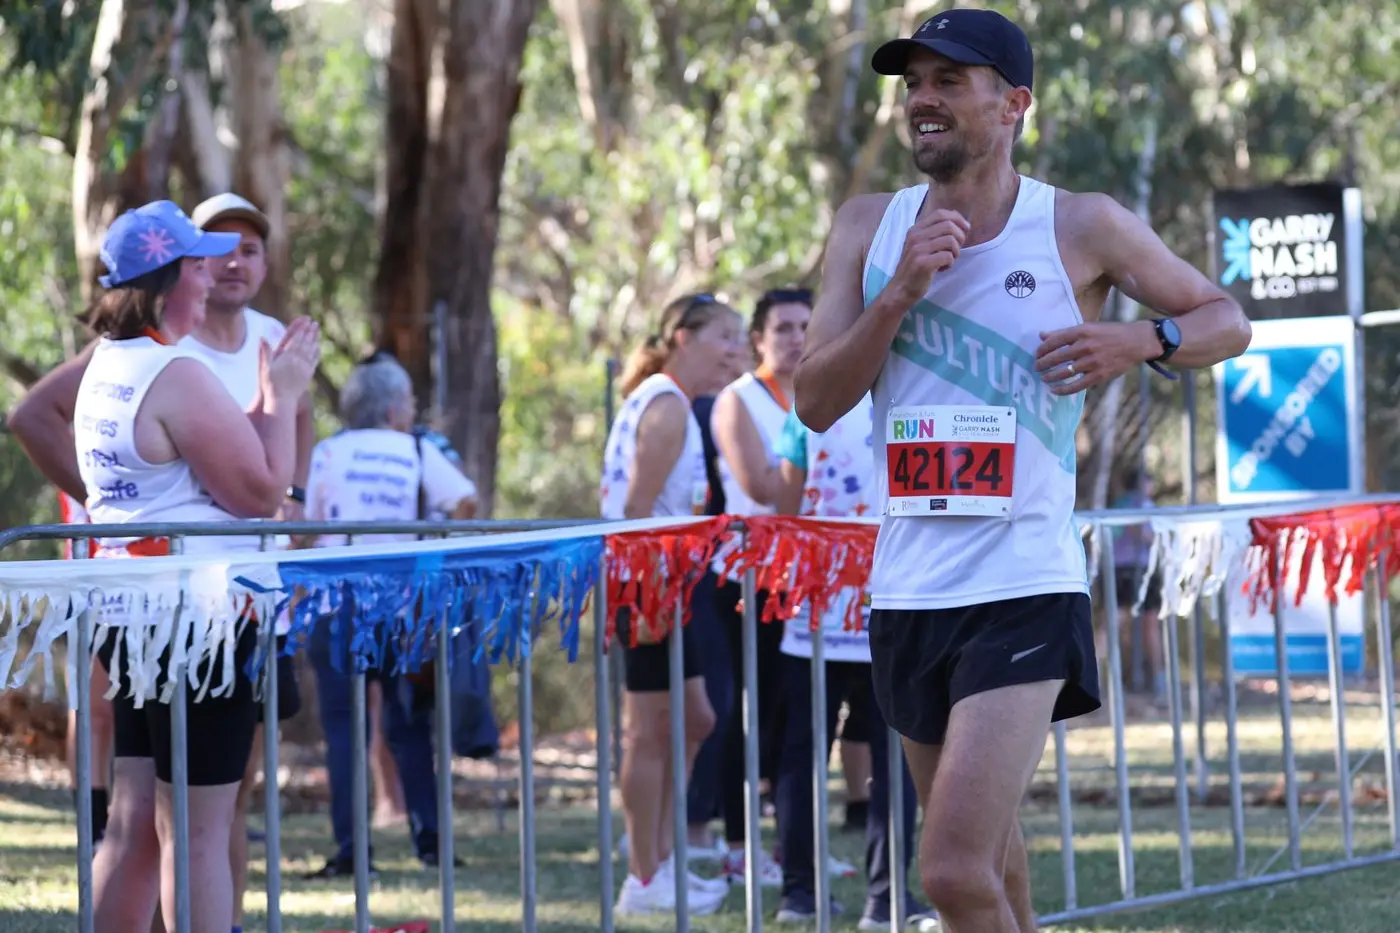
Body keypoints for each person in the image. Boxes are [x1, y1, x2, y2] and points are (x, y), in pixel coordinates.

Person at [793, 10, 1251, 931]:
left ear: (1013, 104)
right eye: (913, 82)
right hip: (908, 590)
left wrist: (1139, 338)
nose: (922, 99)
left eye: (947, 81)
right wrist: (898, 294)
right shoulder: (867, 226)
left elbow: (1225, 318)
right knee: (995, 867)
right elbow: (813, 399)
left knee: (954, 870)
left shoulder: (1079, 224)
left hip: (1023, 584)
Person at [11, 192, 316, 933]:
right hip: (201, 621)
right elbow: (259, 491)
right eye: (200, 267)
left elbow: (181, 465)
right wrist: (283, 399)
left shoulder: (111, 367)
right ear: (169, 279)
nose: (213, 279)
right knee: (199, 829)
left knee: (137, 820)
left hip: (135, 613)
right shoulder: (173, 372)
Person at [299, 354, 478, 877]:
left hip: (336, 602)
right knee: (410, 725)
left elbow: (308, 523)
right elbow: (465, 501)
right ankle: (430, 841)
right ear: (397, 408)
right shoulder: (417, 449)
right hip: (406, 607)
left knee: (343, 728)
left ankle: (353, 850)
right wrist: (430, 532)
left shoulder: (328, 452)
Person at [599, 292, 746, 916]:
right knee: (649, 733)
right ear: (684, 338)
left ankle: (661, 862)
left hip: (669, 580)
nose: (735, 353)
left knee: (697, 720)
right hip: (646, 582)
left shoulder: (672, 403)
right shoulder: (665, 407)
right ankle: (644, 874)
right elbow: (635, 514)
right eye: (726, 339)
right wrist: (654, 593)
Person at [771, 394, 935, 929]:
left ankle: (811, 895)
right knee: (861, 755)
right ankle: (868, 897)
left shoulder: (812, 400)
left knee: (819, 753)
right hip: (860, 603)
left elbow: (788, 509)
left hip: (860, 604)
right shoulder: (913, 387)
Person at [709, 287, 819, 886]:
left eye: (805, 324)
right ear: (758, 338)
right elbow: (762, 487)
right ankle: (737, 845)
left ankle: (793, 845)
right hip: (748, 576)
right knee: (740, 715)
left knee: (793, 716)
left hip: (808, 576)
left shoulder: (829, 391)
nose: (796, 337)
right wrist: (815, 468)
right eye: (782, 327)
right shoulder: (737, 400)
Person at [1111, 466, 1165, 700]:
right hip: (1139, 568)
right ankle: (1159, 678)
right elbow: (1144, 534)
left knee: (1116, 622)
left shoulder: (1120, 503)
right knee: (1147, 624)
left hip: (1118, 568)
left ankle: (1094, 670)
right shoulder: (1141, 504)